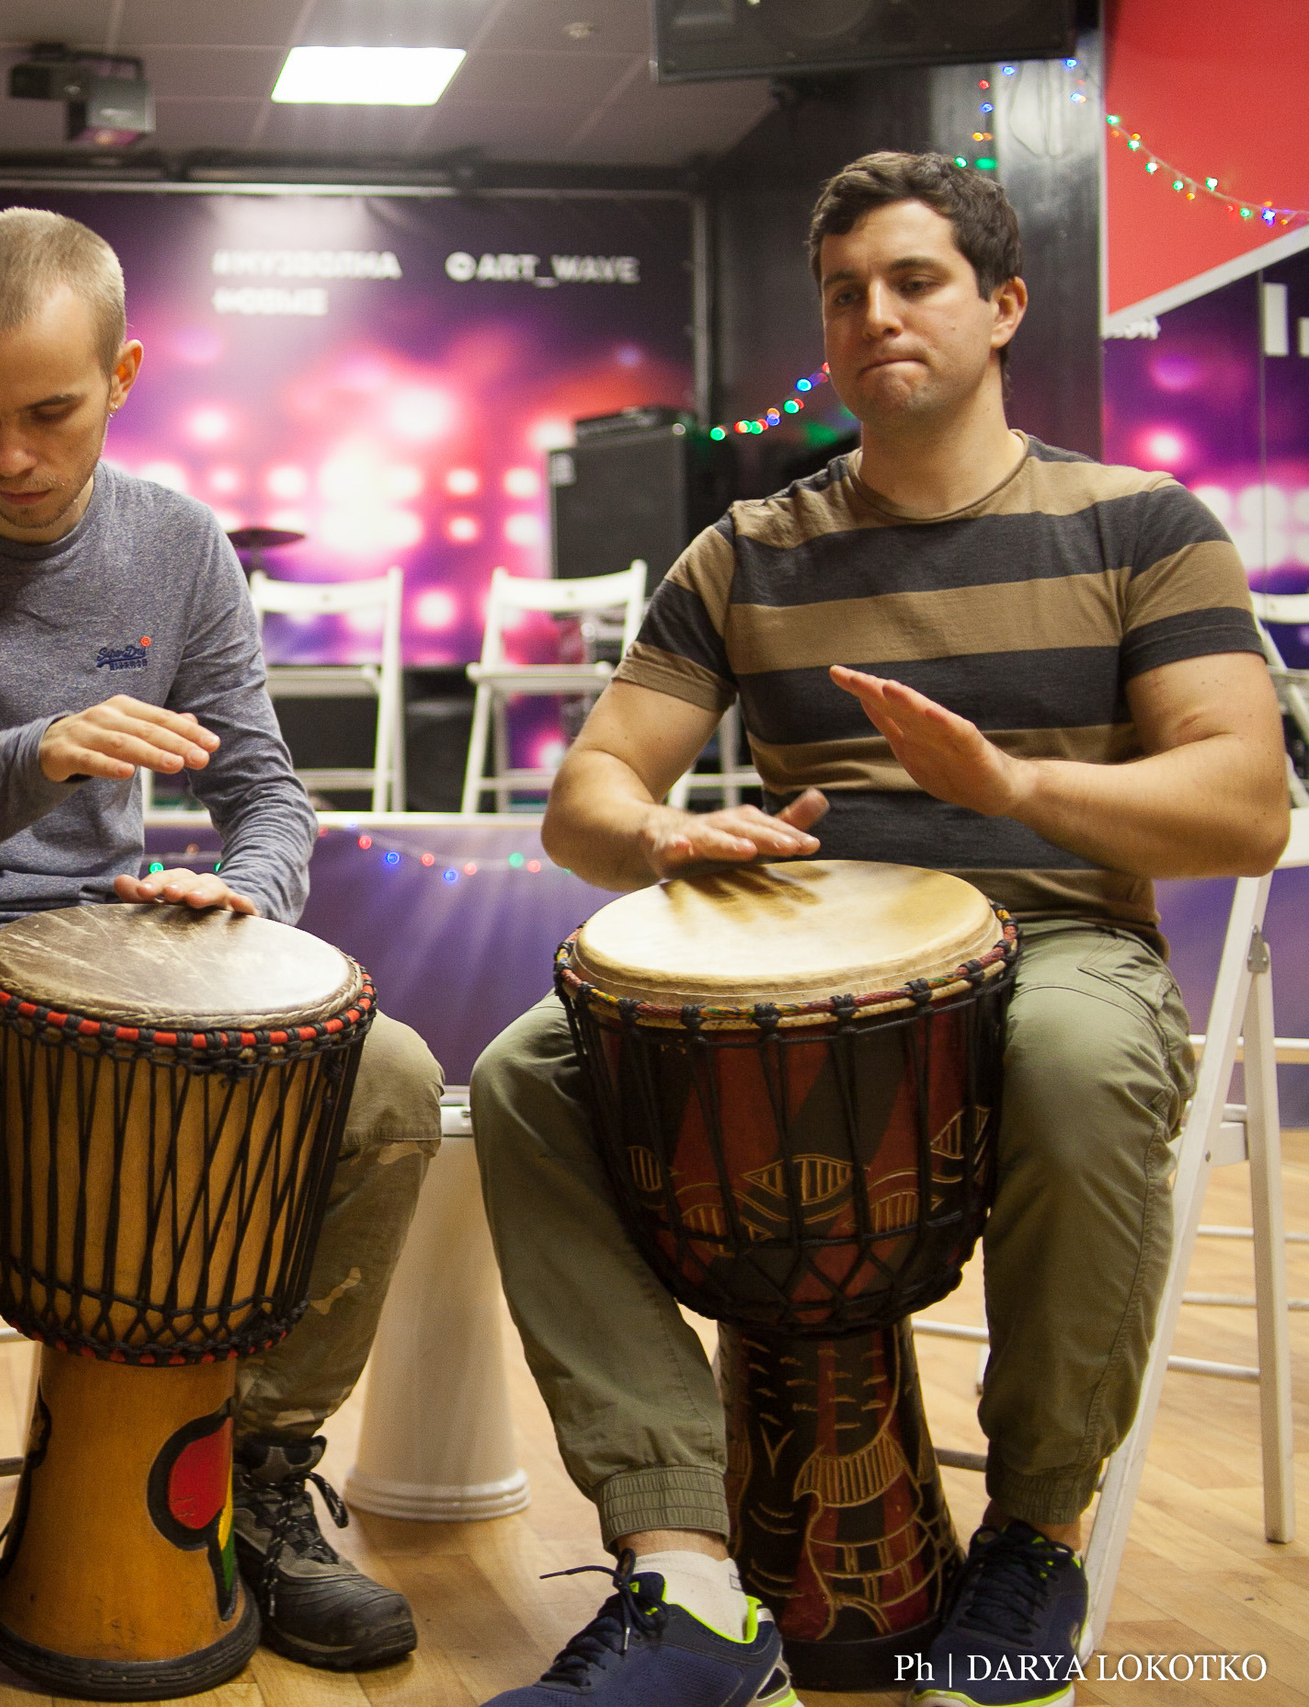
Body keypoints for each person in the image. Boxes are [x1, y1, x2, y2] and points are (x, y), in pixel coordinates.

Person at [467, 151, 1289, 1707]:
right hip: (799, 965)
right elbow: (586, 798)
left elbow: (1243, 803)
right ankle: (688, 1576)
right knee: (524, 1073)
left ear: (1002, 306)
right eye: (845, 293)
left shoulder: (1142, 525)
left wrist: (1014, 783)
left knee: (1074, 1060)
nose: (873, 315)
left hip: (1052, 942)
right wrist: (656, 829)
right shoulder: (749, 550)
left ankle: (1036, 1534)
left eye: (914, 281)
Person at [0, 207, 446, 1707]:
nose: (11, 455)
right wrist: (35, 757)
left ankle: (260, 1474)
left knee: (389, 1078)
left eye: (50, 413)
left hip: (99, 960)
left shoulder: (177, 546)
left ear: (123, 373)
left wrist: (251, 898)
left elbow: (265, 792)